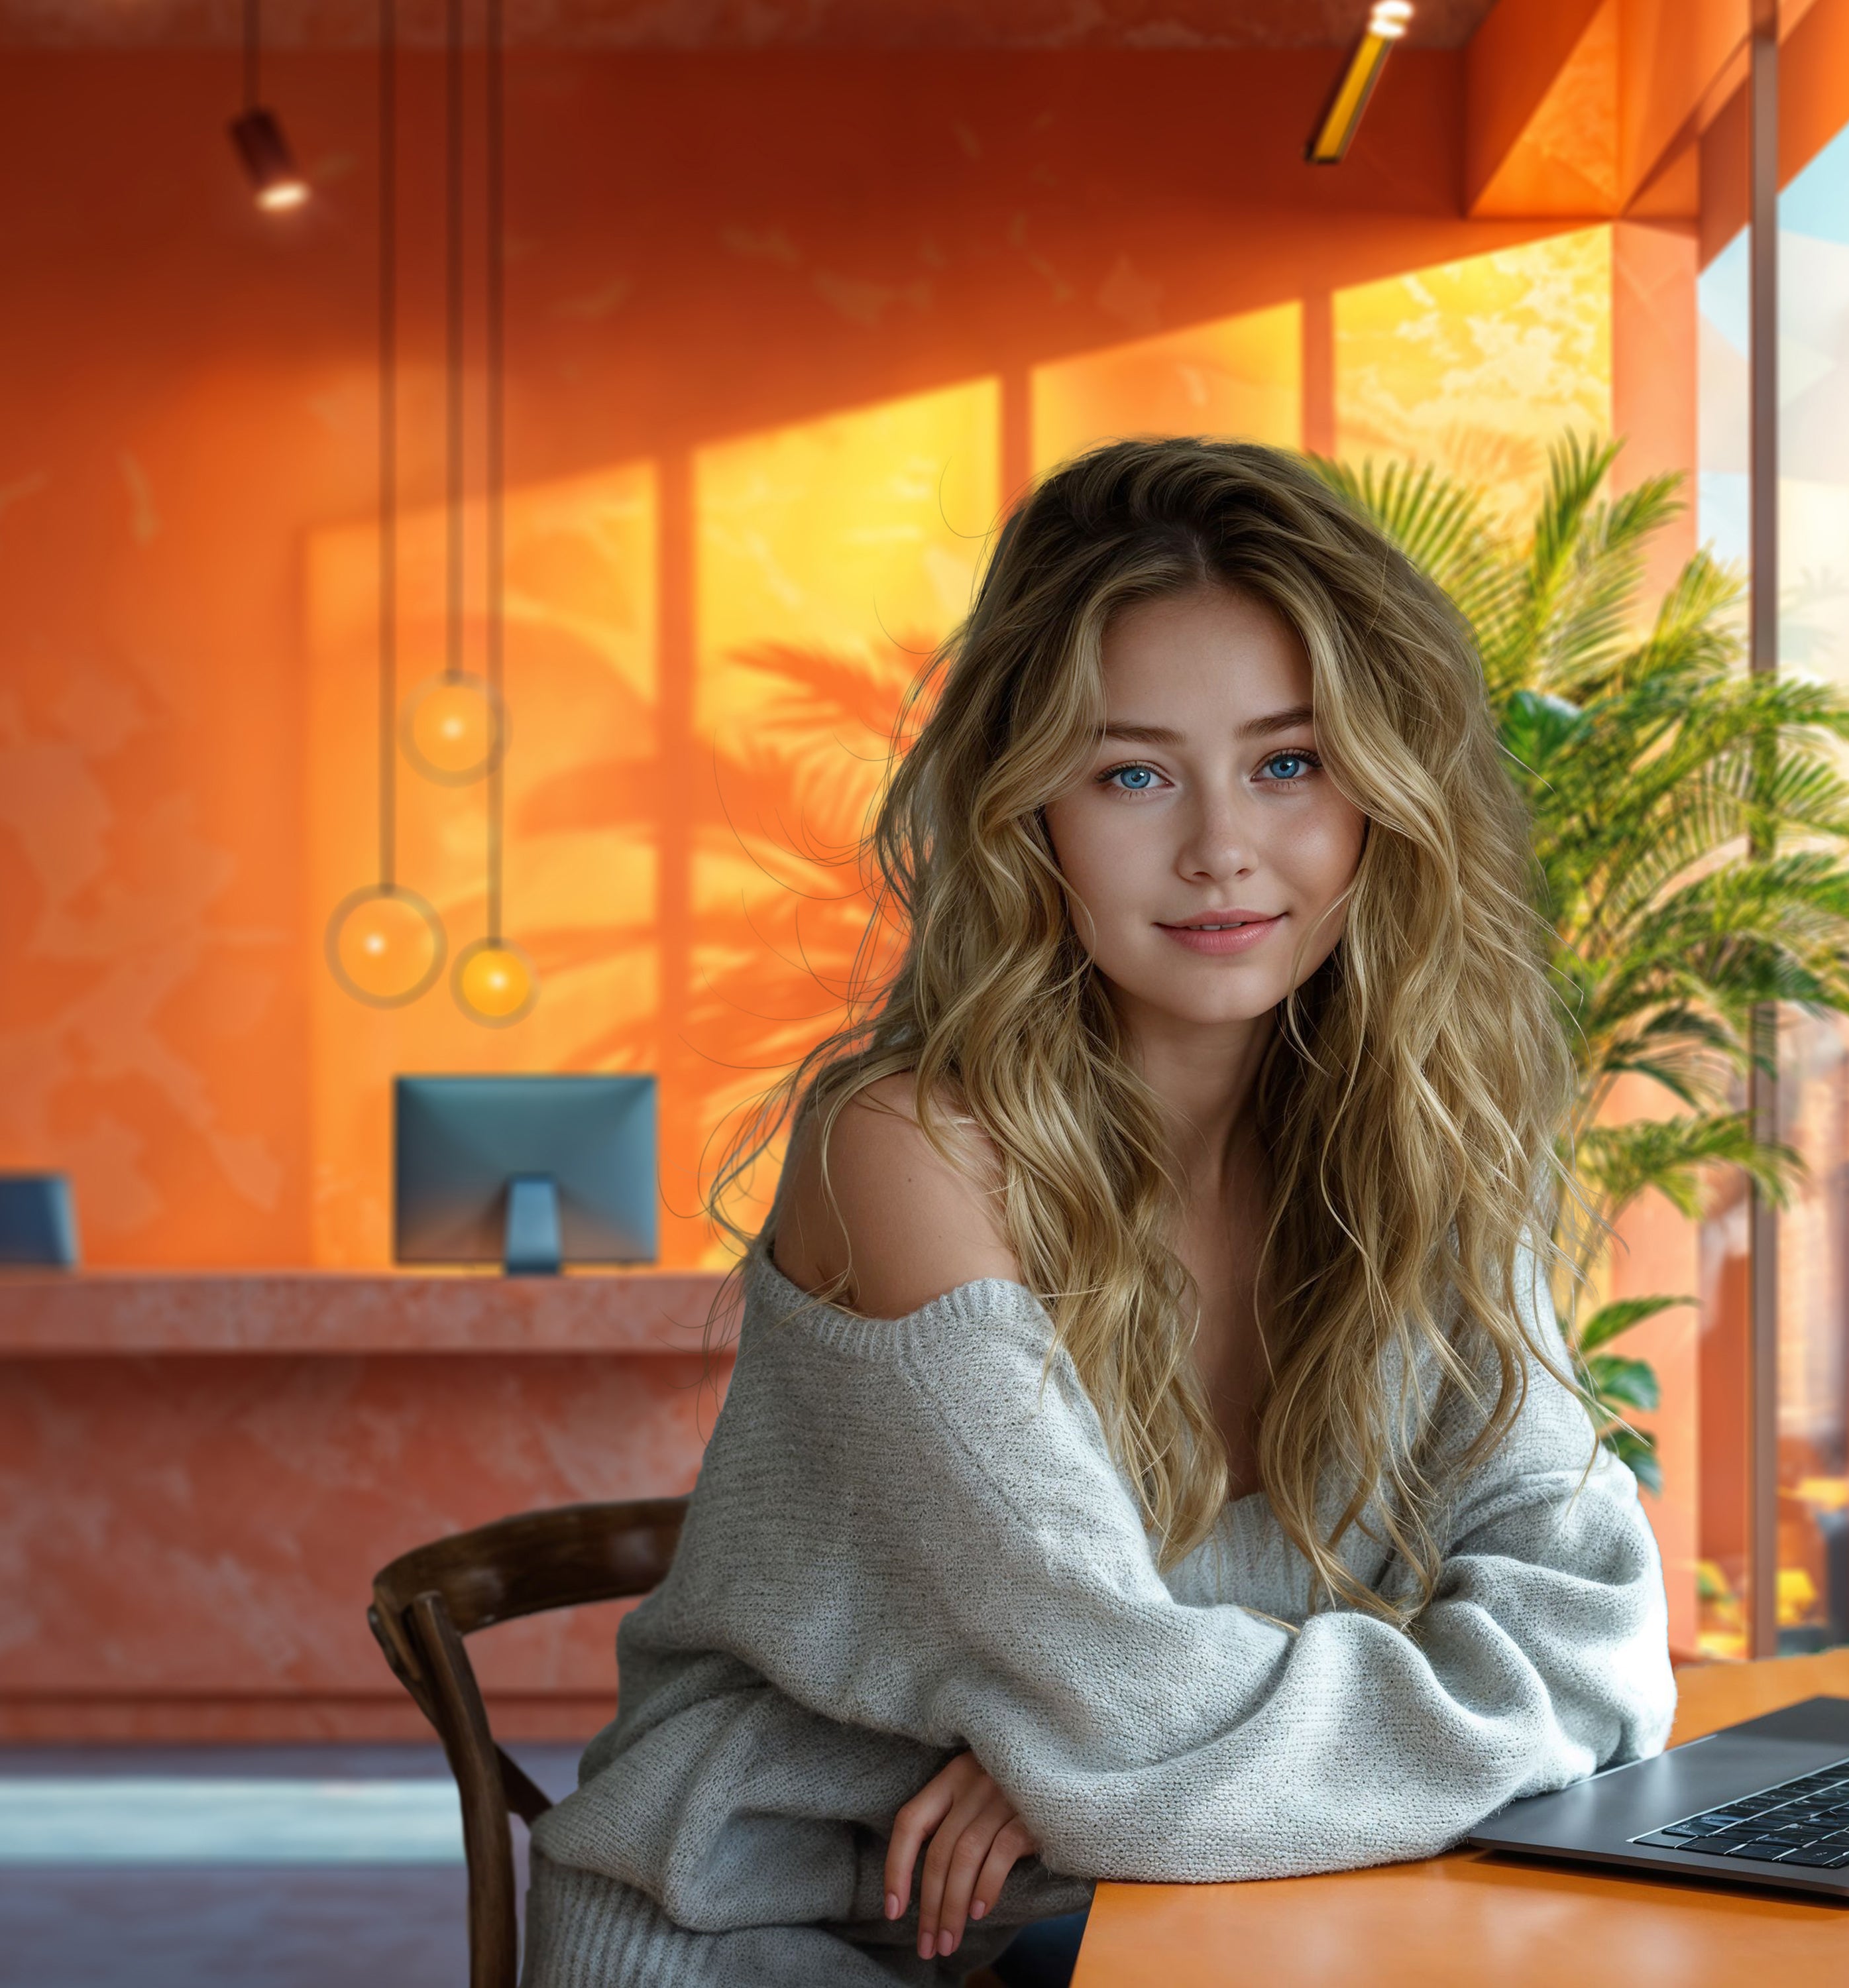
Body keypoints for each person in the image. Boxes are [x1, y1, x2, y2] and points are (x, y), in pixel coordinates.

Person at [521, 439, 1675, 1987]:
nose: (1219, 849)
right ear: (1027, 815)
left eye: (1288, 762)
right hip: (776, 1923)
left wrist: (1103, 1765)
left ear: (1382, 792)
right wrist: (1112, 1747)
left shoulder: (1435, 1139)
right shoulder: (911, 1151)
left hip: (1167, 1907)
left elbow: (1595, 1649)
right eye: (1130, 773)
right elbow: (1113, 1712)